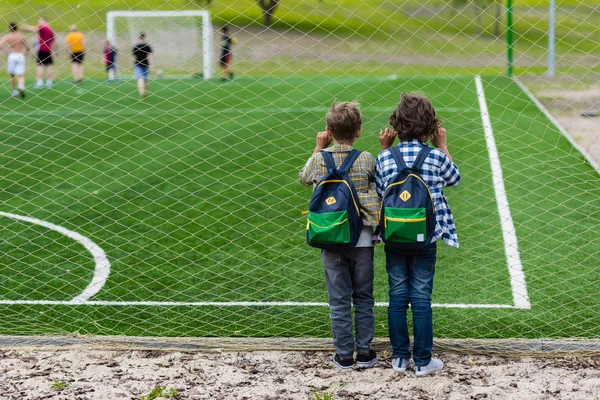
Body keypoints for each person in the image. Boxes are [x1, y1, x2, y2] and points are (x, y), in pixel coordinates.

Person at [375, 93, 461, 376]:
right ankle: (423, 360)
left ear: (396, 126)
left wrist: (386, 148)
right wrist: (443, 145)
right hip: (426, 237)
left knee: (397, 294)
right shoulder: (436, 156)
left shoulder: (385, 157)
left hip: (395, 236)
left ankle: (400, 358)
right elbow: (454, 178)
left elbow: (378, 191)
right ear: (430, 127)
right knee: (421, 296)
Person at [299, 101, 380, 369]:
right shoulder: (366, 158)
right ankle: (366, 352)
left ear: (328, 130)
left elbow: (304, 177)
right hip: (362, 240)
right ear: (358, 130)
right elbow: (378, 182)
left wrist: (318, 147)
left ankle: (344, 354)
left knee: (339, 299)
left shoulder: (319, 159)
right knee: (364, 297)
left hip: (331, 237)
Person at [0, 22, 31, 98]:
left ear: (9, 28)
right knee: (21, 74)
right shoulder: (21, 35)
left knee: (12, 74)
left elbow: (0, 45)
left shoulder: (8, 36)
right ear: (17, 27)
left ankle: (14, 91)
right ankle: (21, 86)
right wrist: (26, 53)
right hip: (20, 55)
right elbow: (28, 47)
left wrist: (6, 51)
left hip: (12, 55)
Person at [22, 17, 55, 88]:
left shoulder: (43, 27)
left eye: (40, 21)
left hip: (42, 49)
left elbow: (33, 29)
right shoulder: (50, 29)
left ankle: (40, 82)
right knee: (49, 65)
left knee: (40, 66)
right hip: (48, 49)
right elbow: (53, 40)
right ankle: (49, 81)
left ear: (44, 21)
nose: (38, 23)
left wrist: (25, 27)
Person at [132, 32, 152, 98]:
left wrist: (133, 64)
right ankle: (144, 92)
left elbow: (134, 57)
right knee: (145, 79)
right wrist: (151, 65)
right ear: (144, 37)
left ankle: (142, 92)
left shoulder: (136, 46)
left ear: (138, 37)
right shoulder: (147, 46)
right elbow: (149, 56)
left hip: (137, 63)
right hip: (145, 63)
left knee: (140, 78)